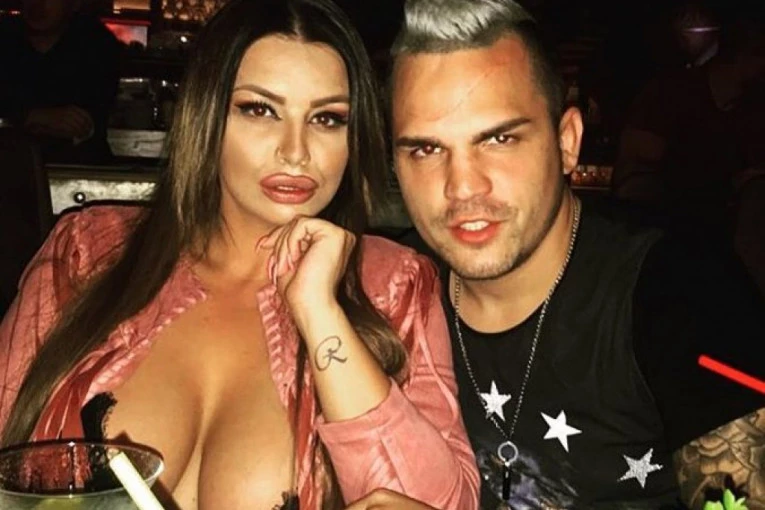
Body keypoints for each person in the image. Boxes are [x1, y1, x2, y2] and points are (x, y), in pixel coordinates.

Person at [0, 0, 480, 509]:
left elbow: (435, 504)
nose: (295, 151)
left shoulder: (394, 283)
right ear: (207, 115)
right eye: (260, 110)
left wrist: (321, 312)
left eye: (327, 118)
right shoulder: (87, 251)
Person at [383, 0, 765, 508]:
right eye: (426, 150)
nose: (463, 187)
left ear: (567, 141)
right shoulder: (388, 290)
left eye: (499, 138)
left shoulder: (681, 292)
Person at [0, 0, 121, 162]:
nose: (37, 4)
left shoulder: (96, 44)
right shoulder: (6, 37)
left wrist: (26, 119)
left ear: (75, 4)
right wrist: (31, 117)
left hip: (77, 166)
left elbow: (83, 122)